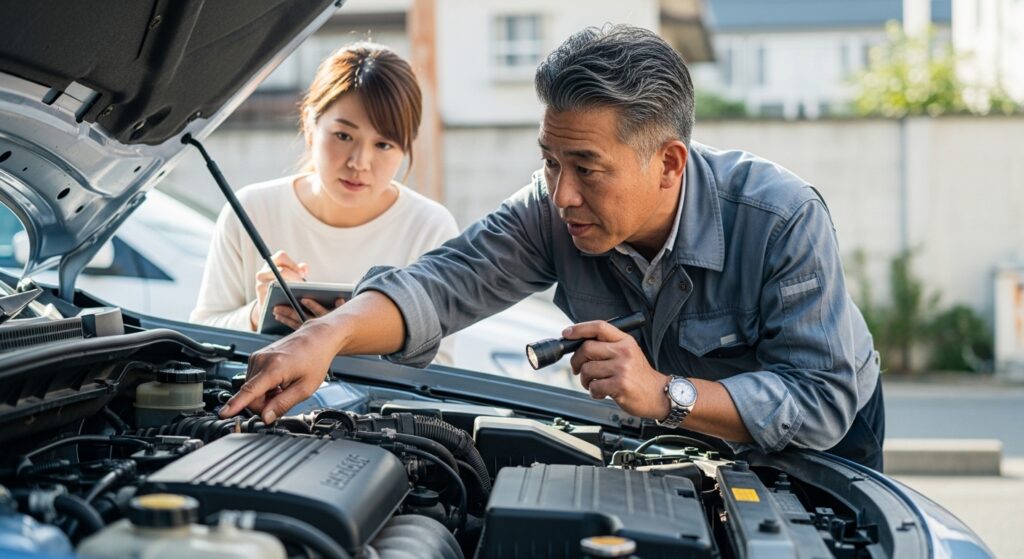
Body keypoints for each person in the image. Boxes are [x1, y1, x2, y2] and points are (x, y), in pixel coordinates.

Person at [221, 26, 886, 470]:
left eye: (587, 168)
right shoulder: (551, 210)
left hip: (821, 448)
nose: (562, 194)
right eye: (549, 163)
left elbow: (820, 399)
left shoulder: (778, 218)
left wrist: (663, 392)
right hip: (673, 435)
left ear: (669, 163)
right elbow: (444, 283)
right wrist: (328, 335)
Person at [190, 43, 459, 361]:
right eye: (344, 136)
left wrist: (342, 337)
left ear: (405, 147)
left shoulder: (429, 228)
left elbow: (441, 362)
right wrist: (256, 313)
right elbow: (202, 335)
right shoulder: (250, 210)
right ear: (309, 123)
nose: (360, 162)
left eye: (384, 144)